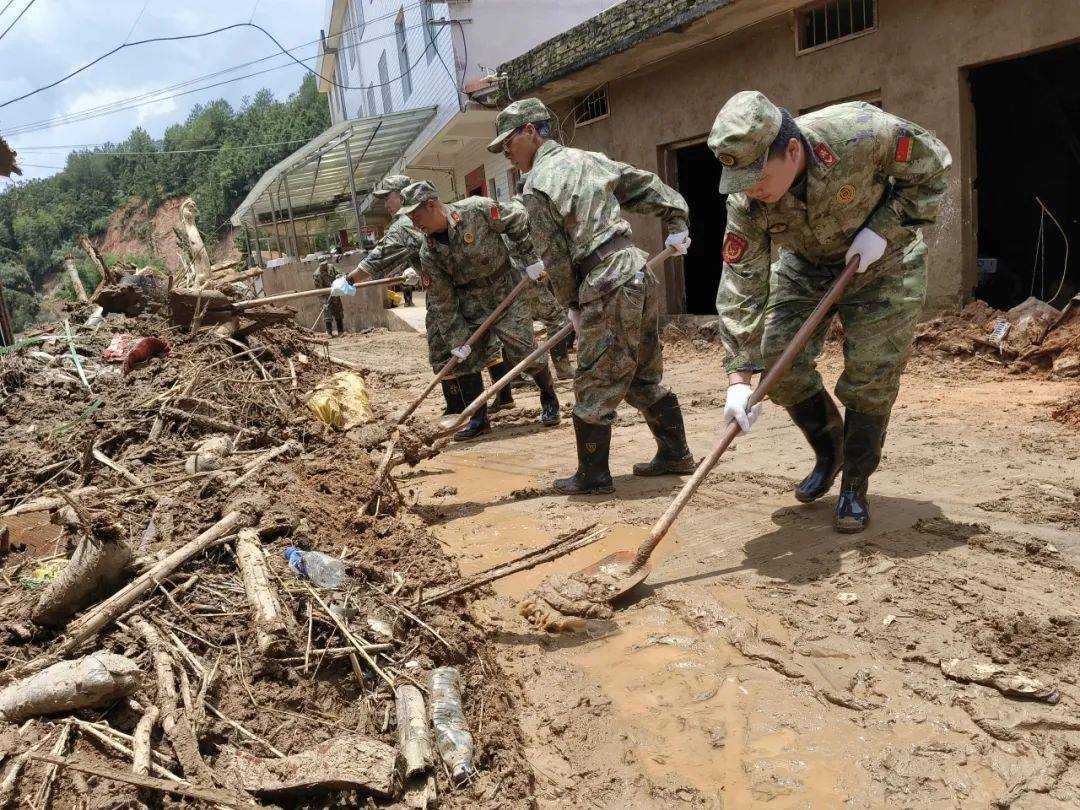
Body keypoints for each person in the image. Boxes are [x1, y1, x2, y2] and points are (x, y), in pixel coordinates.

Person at [709, 91, 952, 532]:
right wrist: (739, 378)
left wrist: (884, 228)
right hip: (807, 264)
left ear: (792, 150)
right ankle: (831, 450)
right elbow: (742, 284)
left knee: (871, 373)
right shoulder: (746, 202)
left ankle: (855, 482)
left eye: (758, 176)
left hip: (885, 260)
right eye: (740, 180)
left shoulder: (864, 134)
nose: (751, 190)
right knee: (779, 361)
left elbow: (934, 170)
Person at [489, 97, 694, 495]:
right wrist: (677, 218)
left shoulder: (537, 185)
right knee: (640, 375)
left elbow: (556, 256)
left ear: (531, 132)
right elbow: (647, 185)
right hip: (635, 271)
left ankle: (593, 475)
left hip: (604, 282)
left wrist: (571, 304)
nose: (507, 154)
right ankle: (675, 453)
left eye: (508, 143)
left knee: (592, 383)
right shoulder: (590, 159)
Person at [331, 175, 515, 415]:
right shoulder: (427, 216)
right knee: (484, 340)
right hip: (469, 287)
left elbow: (378, 257)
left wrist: (348, 280)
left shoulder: (403, 224)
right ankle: (504, 397)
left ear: (402, 194)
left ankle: (458, 406)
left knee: (443, 348)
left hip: (445, 293)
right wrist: (416, 269)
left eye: (388, 197)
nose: (386, 205)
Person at [398, 180, 561, 440]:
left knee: (525, 351)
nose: (414, 223)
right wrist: (455, 339)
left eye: (415, 215)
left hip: (505, 292)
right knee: (465, 359)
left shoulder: (477, 210)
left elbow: (517, 218)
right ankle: (478, 418)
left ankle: (549, 398)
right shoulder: (429, 252)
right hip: (470, 303)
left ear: (430, 205)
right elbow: (442, 299)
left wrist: (529, 258)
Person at [313, 252, 345, 336]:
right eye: (322, 265)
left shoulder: (331, 267)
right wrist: (324, 301)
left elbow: (341, 274)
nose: (324, 266)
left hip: (334, 292)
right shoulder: (317, 274)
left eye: (325, 264)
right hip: (325, 295)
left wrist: (339, 276)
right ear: (319, 264)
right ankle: (329, 332)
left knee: (338, 311)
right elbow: (319, 290)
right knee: (327, 312)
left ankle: (341, 331)